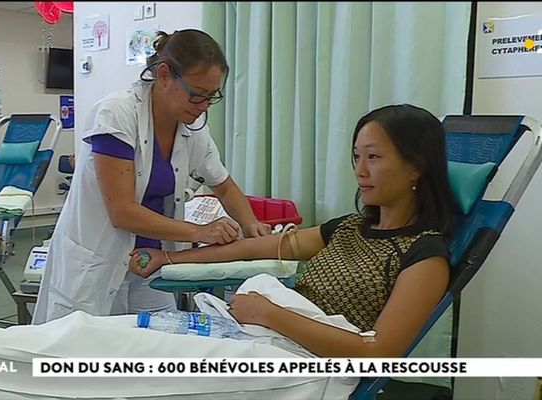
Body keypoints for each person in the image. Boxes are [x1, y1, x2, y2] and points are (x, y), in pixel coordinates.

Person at [129, 104, 457, 357]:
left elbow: (378, 351)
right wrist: (168, 257)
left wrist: (271, 314)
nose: (360, 171)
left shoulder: (424, 255)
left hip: (306, 362)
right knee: (129, 340)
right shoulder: (349, 228)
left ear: (416, 166)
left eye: (373, 157)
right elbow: (251, 248)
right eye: (356, 157)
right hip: (269, 340)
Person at [32, 29, 270, 324]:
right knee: (88, 356)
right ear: (164, 74)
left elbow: (224, 185)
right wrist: (199, 232)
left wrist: (251, 225)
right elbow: (122, 213)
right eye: (197, 95)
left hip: (148, 262)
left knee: (155, 348)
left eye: (212, 97)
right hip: (97, 264)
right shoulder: (116, 114)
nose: (203, 107)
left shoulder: (193, 128)